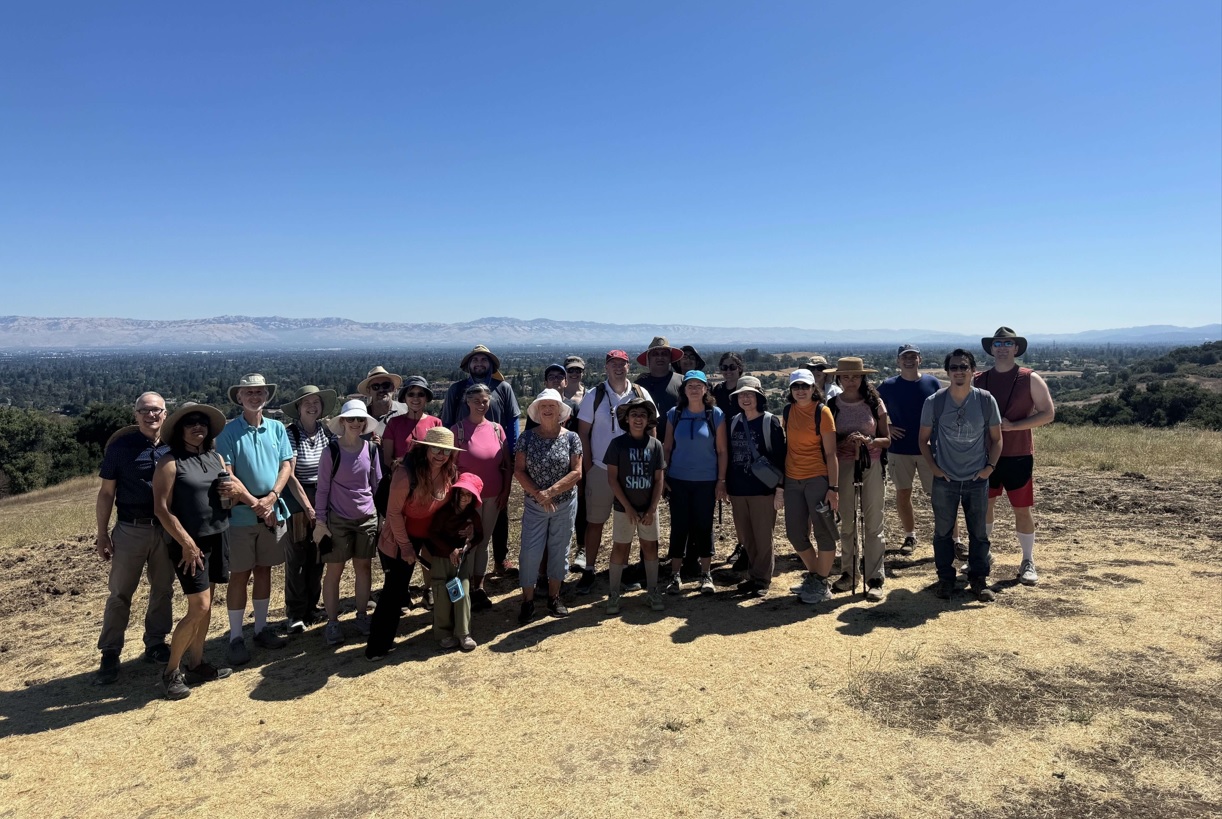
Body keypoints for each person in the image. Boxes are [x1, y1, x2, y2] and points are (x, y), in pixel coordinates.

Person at [151, 403, 233, 699]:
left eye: (202, 422)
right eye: (190, 423)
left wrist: (232, 496)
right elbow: (162, 510)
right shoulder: (170, 463)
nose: (198, 427)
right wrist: (186, 543)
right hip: (189, 545)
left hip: (217, 537)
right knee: (198, 606)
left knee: (207, 606)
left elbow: (224, 498)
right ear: (179, 430)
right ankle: (171, 671)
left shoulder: (216, 457)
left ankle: (197, 663)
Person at [93, 392, 175, 685]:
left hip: (166, 529)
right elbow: (106, 493)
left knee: (163, 589)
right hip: (131, 529)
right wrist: (102, 534)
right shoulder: (120, 448)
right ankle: (110, 652)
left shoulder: (174, 446)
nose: (150, 415)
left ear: (165, 414)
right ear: (135, 414)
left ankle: (155, 643)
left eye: (156, 410)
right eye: (144, 410)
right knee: (119, 593)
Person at [366, 427, 465, 660]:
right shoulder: (405, 474)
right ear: (425, 448)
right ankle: (377, 646)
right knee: (395, 591)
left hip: (428, 533)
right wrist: (406, 547)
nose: (441, 455)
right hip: (400, 537)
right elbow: (393, 514)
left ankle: (456, 628)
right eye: (436, 449)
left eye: (446, 451)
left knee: (448, 576)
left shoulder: (449, 472)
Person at [215, 373, 293, 665]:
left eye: (260, 392)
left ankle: (260, 629)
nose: (255, 396)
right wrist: (256, 503)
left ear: (266, 396)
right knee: (240, 575)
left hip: (271, 511)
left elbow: (286, 465)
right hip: (240, 517)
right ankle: (236, 637)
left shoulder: (276, 428)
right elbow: (228, 475)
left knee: (264, 570)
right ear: (239, 397)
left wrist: (271, 498)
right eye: (249, 392)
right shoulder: (227, 432)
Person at [919, 349, 1003, 602]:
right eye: (954, 367)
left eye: (963, 367)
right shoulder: (934, 402)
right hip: (945, 480)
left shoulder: (986, 401)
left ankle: (978, 579)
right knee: (943, 533)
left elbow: (997, 440)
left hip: (977, 480)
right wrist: (934, 469)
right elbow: (923, 440)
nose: (958, 371)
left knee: (979, 533)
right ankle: (945, 579)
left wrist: (989, 468)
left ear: (972, 370)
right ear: (947, 371)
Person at [975, 327, 1056, 586]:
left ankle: (1028, 560)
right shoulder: (978, 379)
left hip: (1018, 454)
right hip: (984, 454)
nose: (1002, 347)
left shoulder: (1030, 378)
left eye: (1007, 343)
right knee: (984, 507)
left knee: (1021, 509)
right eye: (998, 343)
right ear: (991, 348)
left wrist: (1014, 426)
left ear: (1016, 348)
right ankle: (984, 555)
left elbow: (1048, 413)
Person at [575, 350, 654, 595]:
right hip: (599, 467)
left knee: (627, 522)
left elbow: (652, 429)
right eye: (613, 364)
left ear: (629, 367)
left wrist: (649, 462)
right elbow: (583, 432)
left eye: (622, 364)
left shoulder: (640, 393)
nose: (618, 368)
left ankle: (624, 569)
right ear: (606, 368)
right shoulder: (594, 395)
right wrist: (587, 466)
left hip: (632, 470)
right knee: (594, 522)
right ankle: (589, 569)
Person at [441, 345, 521, 576]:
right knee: (465, 521)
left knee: (499, 514)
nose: (479, 363)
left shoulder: (503, 388)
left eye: (483, 360)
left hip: (497, 458)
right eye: (474, 360)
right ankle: (464, 574)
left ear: (491, 364)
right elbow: (446, 423)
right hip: (464, 463)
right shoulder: (457, 390)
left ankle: (500, 559)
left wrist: (512, 455)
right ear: (468, 365)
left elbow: (513, 422)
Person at [314, 400, 383, 646]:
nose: (355, 423)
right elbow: (322, 490)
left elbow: (377, 486)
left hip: (367, 518)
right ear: (342, 422)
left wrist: (380, 517)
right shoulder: (330, 452)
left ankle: (362, 615)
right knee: (335, 570)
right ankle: (333, 623)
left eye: (360, 419)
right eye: (351, 419)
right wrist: (320, 522)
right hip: (338, 520)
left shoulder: (372, 450)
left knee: (363, 568)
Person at [824, 358, 892, 603]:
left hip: (871, 464)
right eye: (846, 376)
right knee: (848, 522)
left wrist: (869, 441)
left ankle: (875, 578)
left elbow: (887, 439)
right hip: (842, 467)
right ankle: (849, 573)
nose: (850, 380)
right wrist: (846, 441)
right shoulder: (831, 406)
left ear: (863, 378)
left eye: (855, 376)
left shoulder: (875, 403)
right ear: (839, 379)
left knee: (873, 522)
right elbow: (827, 443)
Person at [514, 390, 583, 623]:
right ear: (536, 410)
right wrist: (539, 495)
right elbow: (519, 470)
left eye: (552, 405)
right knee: (530, 552)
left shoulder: (572, 438)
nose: (547, 409)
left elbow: (577, 472)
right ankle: (528, 601)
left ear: (560, 410)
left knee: (559, 550)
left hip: (564, 503)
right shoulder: (526, 438)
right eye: (543, 405)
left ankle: (554, 598)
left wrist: (550, 493)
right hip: (535, 505)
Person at [662, 370, 728, 595]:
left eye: (698, 385)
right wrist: (663, 477)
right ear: (684, 389)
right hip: (678, 480)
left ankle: (706, 574)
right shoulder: (674, 414)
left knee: (704, 527)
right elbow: (667, 448)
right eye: (689, 385)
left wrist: (721, 480)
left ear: (705, 389)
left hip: (706, 481)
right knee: (678, 527)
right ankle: (675, 575)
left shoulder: (715, 414)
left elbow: (721, 450)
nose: (694, 389)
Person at [279, 385, 338, 633]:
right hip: (297, 497)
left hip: (323, 494)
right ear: (298, 409)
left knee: (318, 554)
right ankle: (295, 612)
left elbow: (337, 461)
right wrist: (307, 505)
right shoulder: (290, 433)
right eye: (307, 403)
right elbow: (290, 474)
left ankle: (311, 607)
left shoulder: (327, 432)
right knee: (297, 558)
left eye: (316, 403)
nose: (312, 407)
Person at [781, 369, 841, 606]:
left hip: (817, 479)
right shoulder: (787, 411)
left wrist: (833, 488)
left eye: (805, 386)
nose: (801, 391)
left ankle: (820, 582)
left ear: (813, 387)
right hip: (792, 479)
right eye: (796, 387)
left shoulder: (822, 412)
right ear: (791, 390)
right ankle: (817, 577)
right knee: (795, 534)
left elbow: (831, 452)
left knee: (824, 532)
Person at [451, 383, 512, 612]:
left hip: (494, 495)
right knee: (469, 542)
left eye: (485, 400)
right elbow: (450, 467)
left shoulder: (498, 430)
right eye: (476, 400)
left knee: (484, 541)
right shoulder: (457, 431)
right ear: (467, 402)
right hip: (467, 498)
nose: (481, 404)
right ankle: (465, 588)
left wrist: (505, 491)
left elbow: (506, 465)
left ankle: (479, 587)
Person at [877, 345, 942, 556]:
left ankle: (952, 538)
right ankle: (910, 536)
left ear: (920, 360)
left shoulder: (932, 383)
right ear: (898, 361)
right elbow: (869, 409)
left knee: (939, 496)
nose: (909, 360)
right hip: (899, 449)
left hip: (929, 449)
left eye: (913, 357)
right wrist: (886, 428)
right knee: (903, 493)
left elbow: (943, 411)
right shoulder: (888, 386)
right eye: (905, 357)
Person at [725, 376, 787, 597]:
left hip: (763, 489)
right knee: (747, 537)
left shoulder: (770, 422)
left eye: (750, 394)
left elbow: (781, 456)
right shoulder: (733, 421)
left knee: (763, 536)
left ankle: (762, 579)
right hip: (738, 488)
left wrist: (780, 489)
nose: (746, 398)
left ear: (759, 397)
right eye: (742, 394)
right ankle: (753, 575)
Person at [603, 397, 666, 613]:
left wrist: (652, 508)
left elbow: (659, 479)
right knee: (620, 548)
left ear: (648, 419)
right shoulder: (617, 445)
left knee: (650, 547)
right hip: (623, 509)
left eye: (642, 415)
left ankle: (652, 591)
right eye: (634, 415)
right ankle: (613, 593)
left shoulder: (655, 445)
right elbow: (612, 479)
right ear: (626, 419)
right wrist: (628, 507)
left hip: (649, 508)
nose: (638, 419)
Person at [426, 473, 484, 651]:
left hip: (461, 561)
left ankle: (463, 633)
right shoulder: (444, 513)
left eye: (469, 495)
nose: (465, 498)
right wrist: (449, 550)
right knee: (442, 596)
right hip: (441, 559)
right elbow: (433, 535)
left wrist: (468, 544)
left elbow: (480, 536)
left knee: (463, 594)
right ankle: (443, 633)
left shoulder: (472, 516)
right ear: (456, 493)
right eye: (462, 493)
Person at [561, 356, 590, 572]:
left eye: (578, 371)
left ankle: (582, 548)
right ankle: (561, 550)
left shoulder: (589, 395)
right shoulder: (556, 395)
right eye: (571, 371)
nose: (574, 374)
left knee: (583, 504)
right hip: (559, 455)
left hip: (582, 454)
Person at [381, 376, 443, 467]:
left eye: (420, 394)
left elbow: (440, 455)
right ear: (404, 398)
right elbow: (387, 458)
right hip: (401, 477)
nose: (416, 398)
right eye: (411, 394)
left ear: (426, 398)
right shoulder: (394, 423)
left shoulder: (436, 423)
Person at [635, 336, 684, 424]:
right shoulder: (638, 385)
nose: (660, 357)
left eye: (664, 354)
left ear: (670, 358)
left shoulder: (682, 382)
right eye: (655, 354)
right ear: (648, 358)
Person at [358, 366, 406, 434]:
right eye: (375, 386)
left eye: (386, 385)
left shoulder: (407, 410)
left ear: (393, 388)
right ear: (369, 391)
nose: (381, 390)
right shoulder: (361, 419)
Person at [712, 352, 745, 419]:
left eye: (732, 367)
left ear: (740, 368)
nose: (728, 371)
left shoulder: (746, 389)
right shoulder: (718, 390)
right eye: (724, 367)